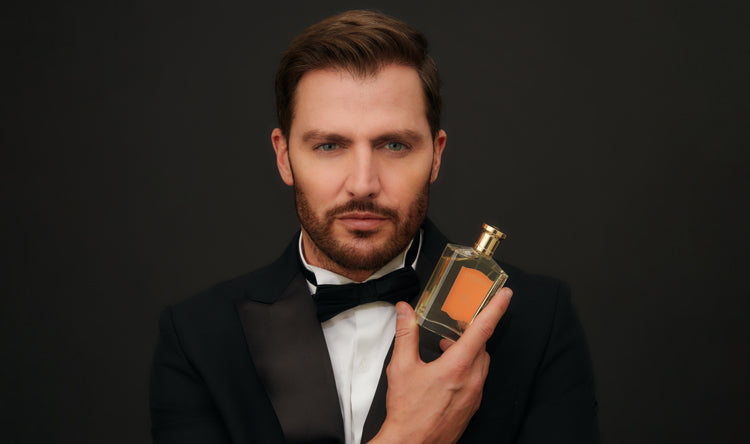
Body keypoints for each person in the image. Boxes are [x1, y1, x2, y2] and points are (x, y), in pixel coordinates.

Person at [149, 10, 599, 444]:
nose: (363, 184)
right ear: (284, 156)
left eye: (395, 145)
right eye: (329, 145)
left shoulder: (537, 321)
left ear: (436, 154)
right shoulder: (198, 337)